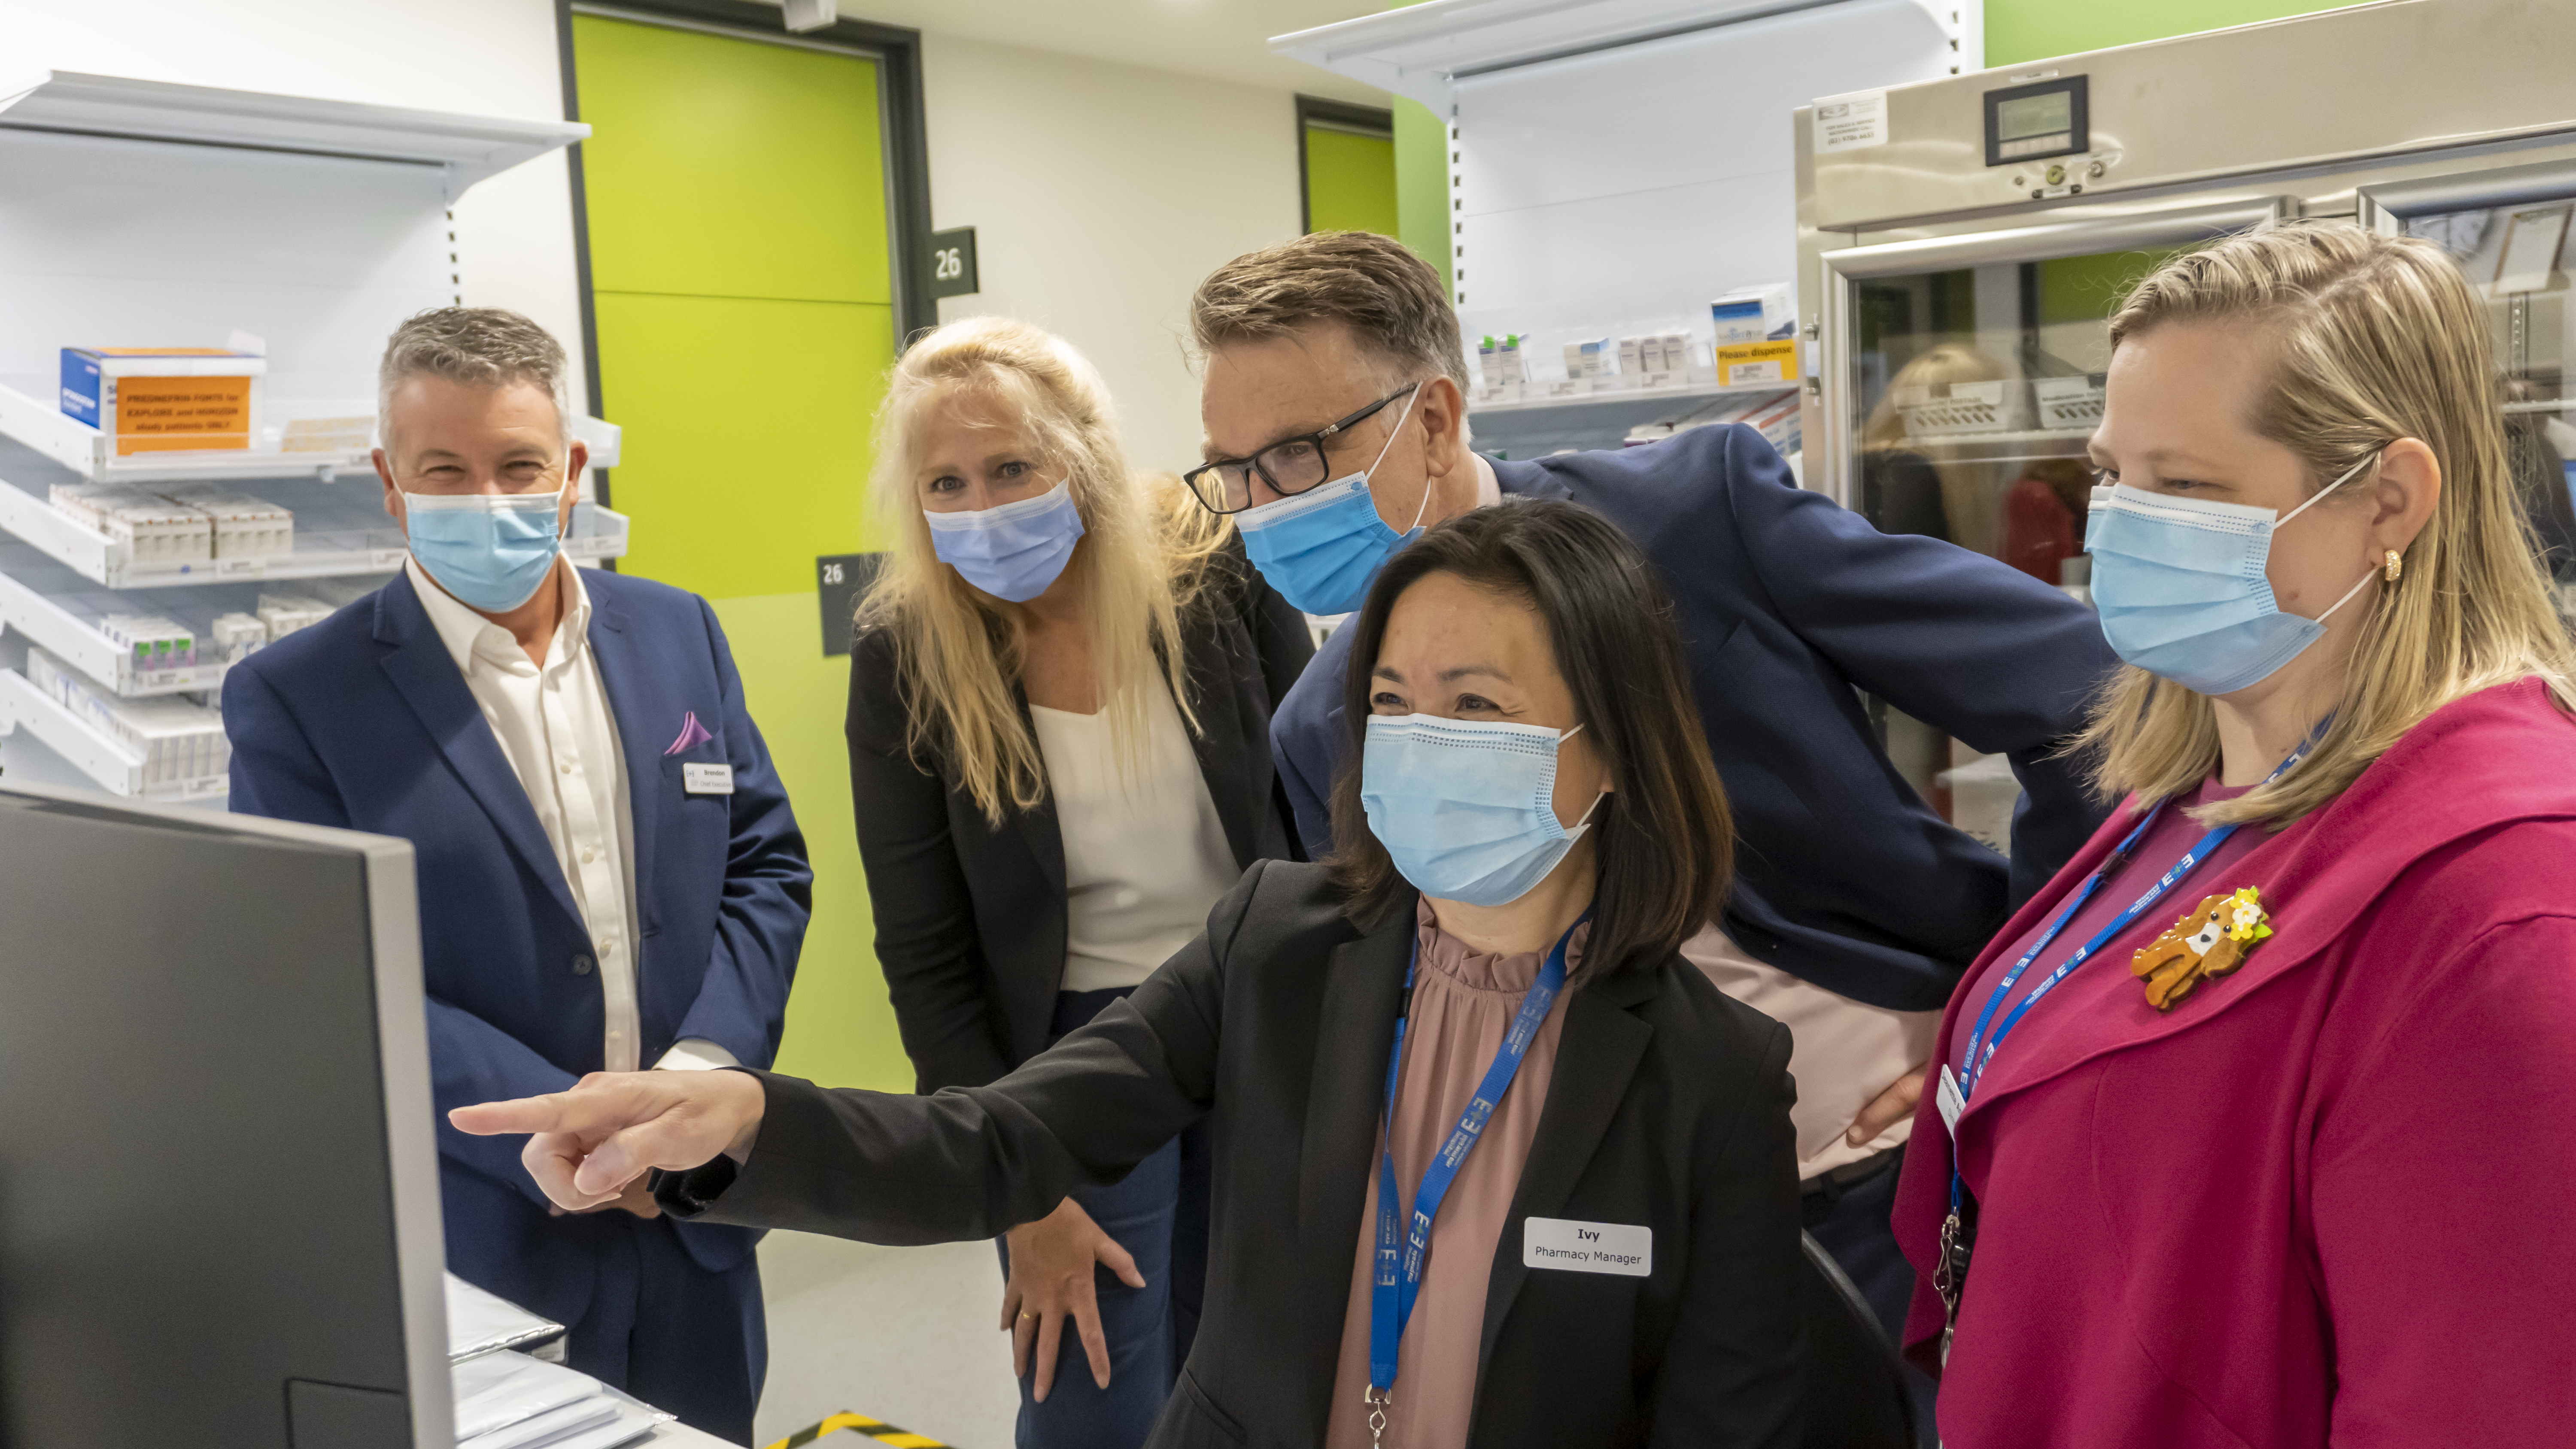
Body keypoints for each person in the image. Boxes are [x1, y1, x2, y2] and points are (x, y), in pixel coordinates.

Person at [457, 499, 1804, 1449]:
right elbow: (1000, 1137)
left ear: (1616, 745)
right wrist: (749, 1121)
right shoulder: (1278, 944)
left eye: (1478, 706)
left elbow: (1727, 1425)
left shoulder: (1713, 1078)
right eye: (1390, 701)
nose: (1416, 741)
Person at [1186, 230, 2118, 1367]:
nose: (1261, 508)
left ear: (1431, 419)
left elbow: (2092, 695)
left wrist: (2024, 1010)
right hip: (1598, 1241)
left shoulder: (1689, 514)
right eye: (1231, 473)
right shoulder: (1325, 727)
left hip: (1864, 1180)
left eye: (1293, 457)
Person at [1890, 222, 2576, 1446]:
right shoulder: (2198, 789)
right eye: (2113, 473)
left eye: (2186, 487)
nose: (2117, 529)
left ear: (2388, 501)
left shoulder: (2504, 906)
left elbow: (2477, 1396)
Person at [224, 307, 811, 1439]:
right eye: (444, 471)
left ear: (571, 471)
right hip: (494, 1239)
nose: (487, 497)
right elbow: (327, 977)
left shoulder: (676, 631)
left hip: (698, 1223)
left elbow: (763, 863)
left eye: (519, 466)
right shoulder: (301, 697)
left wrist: (697, 1073)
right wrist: (565, 1128)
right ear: (390, 484)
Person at [844, 316, 1311, 1446]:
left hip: (1251, 1005)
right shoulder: (908, 654)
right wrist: (1020, 1188)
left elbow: (1321, 805)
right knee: (1092, 1375)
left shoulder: (1214, 578)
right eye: (945, 482)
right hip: (1074, 1051)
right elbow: (925, 955)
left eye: (1013, 468)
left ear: (1087, 458)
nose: (983, 506)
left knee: (1245, 1358)